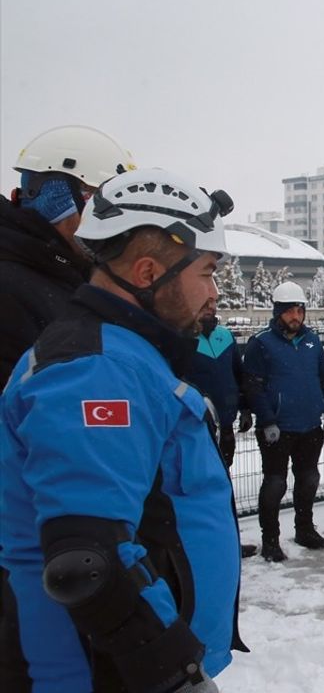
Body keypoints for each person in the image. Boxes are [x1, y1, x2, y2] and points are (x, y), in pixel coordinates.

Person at [0, 168, 242, 691]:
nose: (214, 291)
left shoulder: (123, 354)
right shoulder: (95, 371)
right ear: (149, 271)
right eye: (207, 271)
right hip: (101, 671)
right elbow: (87, 562)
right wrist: (174, 673)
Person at [0, 125, 135, 387]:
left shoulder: (71, 275)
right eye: (98, 203)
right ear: (56, 196)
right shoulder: (9, 286)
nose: (108, 223)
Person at [243, 280, 324, 562]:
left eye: (299, 310)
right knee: (275, 484)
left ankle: (305, 530)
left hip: (310, 425)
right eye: (289, 312)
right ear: (277, 313)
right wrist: (267, 420)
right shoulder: (261, 343)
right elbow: (254, 387)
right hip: (277, 429)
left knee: (309, 479)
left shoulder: (311, 341)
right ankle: (270, 540)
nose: (295, 316)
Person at [187, 310, 258, 558]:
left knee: (223, 485)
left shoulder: (225, 336)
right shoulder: (182, 339)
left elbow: (239, 376)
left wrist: (245, 407)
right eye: (204, 305)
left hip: (225, 424)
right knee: (199, 489)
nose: (208, 308)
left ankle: (228, 542)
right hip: (196, 426)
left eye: (213, 303)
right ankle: (202, 545)